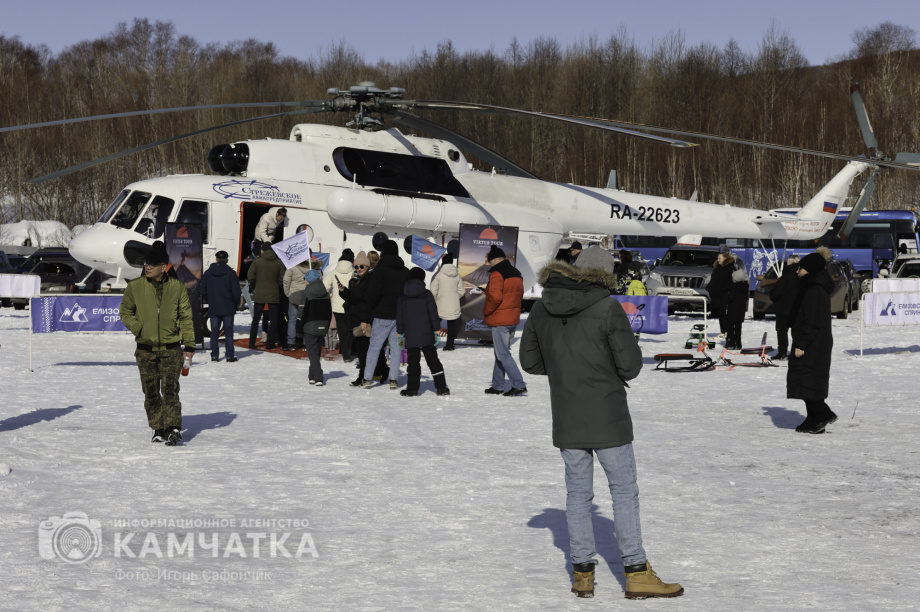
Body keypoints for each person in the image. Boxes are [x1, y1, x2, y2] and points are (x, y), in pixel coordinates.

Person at [519, 247, 683, 600]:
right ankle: (637, 573)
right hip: (607, 414)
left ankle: (583, 576)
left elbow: (530, 362)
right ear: (605, 274)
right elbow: (631, 367)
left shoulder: (542, 306)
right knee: (623, 491)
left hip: (567, 413)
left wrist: (566, 371)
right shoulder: (607, 306)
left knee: (578, 495)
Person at [120, 241, 196, 447]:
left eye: (153, 264)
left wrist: (189, 346)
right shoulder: (135, 287)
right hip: (145, 350)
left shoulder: (177, 287)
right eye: (146, 263)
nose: (148, 267)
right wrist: (139, 329)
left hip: (171, 349)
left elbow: (186, 317)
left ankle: (172, 427)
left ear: (164, 267)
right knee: (151, 391)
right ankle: (158, 427)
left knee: (170, 389)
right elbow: (125, 312)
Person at [788, 252, 837, 434]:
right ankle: (813, 419)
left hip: (813, 344)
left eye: (800, 268)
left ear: (809, 270)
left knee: (807, 381)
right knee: (807, 381)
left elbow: (812, 320)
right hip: (815, 343)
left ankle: (823, 414)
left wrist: (802, 344)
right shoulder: (812, 286)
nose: (797, 271)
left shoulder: (814, 289)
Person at [361, 240, 409, 389]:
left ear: (384, 253)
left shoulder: (379, 271)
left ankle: (367, 379)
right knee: (396, 349)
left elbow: (373, 295)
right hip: (399, 316)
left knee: (374, 347)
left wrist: (366, 316)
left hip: (381, 315)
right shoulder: (405, 271)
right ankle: (394, 379)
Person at [396, 267, 450, 396]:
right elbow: (433, 314)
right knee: (433, 360)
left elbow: (400, 316)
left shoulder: (402, 296)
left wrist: (400, 333)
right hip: (427, 334)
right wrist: (437, 330)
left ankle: (412, 389)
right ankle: (441, 387)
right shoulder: (427, 294)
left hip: (411, 335)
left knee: (413, 362)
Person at [482, 245, 527, 396]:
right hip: (512, 318)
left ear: (494, 260)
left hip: (500, 319)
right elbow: (516, 295)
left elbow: (495, 298)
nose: (489, 264)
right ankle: (497, 385)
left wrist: (487, 310)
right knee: (500, 353)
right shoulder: (516, 273)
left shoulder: (496, 274)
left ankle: (518, 384)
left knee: (503, 354)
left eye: (489, 261)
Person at [338, 251, 374, 387]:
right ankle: (365, 375)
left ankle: (364, 377)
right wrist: (343, 291)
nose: (359, 269)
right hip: (356, 319)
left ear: (367, 267)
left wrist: (365, 320)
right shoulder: (356, 281)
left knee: (364, 350)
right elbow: (353, 298)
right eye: (356, 267)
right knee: (361, 350)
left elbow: (368, 302)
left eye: (362, 267)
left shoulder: (369, 281)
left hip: (363, 320)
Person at [200, 250, 242, 363]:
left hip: (214, 306)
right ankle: (229, 355)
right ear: (227, 260)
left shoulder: (208, 273)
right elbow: (236, 292)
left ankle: (214, 356)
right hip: (228, 306)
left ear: (216, 259)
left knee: (214, 332)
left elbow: (202, 289)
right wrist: (236, 303)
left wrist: (210, 300)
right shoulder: (231, 274)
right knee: (228, 332)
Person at [247, 242, 285, 350]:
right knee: (273, 320)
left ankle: (251, 342)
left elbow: (250, 277)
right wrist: (275, 286)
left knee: (256, 319)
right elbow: (282, 279)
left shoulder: (257, 262)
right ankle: (270, 343)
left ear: (262, 250)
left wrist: (256, 286)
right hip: (274, 293)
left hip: (259, 293)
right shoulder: (278, 262)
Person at [298, 269, 332, 386]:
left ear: (309, 280)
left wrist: (298, 328)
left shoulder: (306, 293)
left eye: (305, 279)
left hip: (310, 326)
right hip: (323, 325)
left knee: (312, 352)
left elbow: (301, 313)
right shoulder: (325, 293)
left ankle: (318, 376)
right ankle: (312, 376)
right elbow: (328, 311)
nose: (304, 281)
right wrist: (326, 325)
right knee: (315, 351)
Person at [430, 252, 465, 351]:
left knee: (435, 323)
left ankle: (431, 342)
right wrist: (454, 297)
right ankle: (449, 345)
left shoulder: (439, 275)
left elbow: (433, 290)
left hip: (440, 304)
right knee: (452, 325)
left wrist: (436, 299)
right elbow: (462, 291)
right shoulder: (457, 275)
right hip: (454, 305)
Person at [325, 251, 356, 362]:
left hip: (337, 306)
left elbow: (325, 286)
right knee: (350, 329)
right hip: (350, 305)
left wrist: (330, 294)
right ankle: (349, 350)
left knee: (341, 330)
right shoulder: (353, 272)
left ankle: (345, 354)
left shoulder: (333, 272)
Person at [769, 255, 800, 359]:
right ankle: (796, 352)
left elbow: (775, 293)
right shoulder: (802, 277)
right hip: (797, 309)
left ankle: (782, 352)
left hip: (783, 309)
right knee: (796, 332)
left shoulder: (785, 276)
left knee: (782, 331)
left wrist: (774, 298)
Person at [282, 258, 313, 349]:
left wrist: (288, 293)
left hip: (294, 296)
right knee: (306, 320)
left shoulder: (292, 266)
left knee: (292, 320)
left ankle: (291, 342)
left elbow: (286, 280)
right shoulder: (313, 267)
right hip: (307, 295)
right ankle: (305, 342)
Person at [705, 251, 735, 339]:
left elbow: (730, 282)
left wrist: (724, 289)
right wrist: (709, 287)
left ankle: (726, 331)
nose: (718, 260)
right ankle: (723, 330)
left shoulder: (730, 267)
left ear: (725, 258)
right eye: (717, 258)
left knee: (724, 314)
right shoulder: (718, 267)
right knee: (721, 314)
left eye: (720, 258)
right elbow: (714, 280)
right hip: (717, 295)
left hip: (725, 295)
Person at [725, 269, 749, 350]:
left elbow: (730, 298)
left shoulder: (734, 287)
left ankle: (731, 343)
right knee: (738, 328)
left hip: (732, 310)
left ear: (736, 279)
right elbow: (745, 298)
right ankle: (738, 343)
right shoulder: (745, 286)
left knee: (730, 327)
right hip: (740, 311)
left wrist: (727, 296)